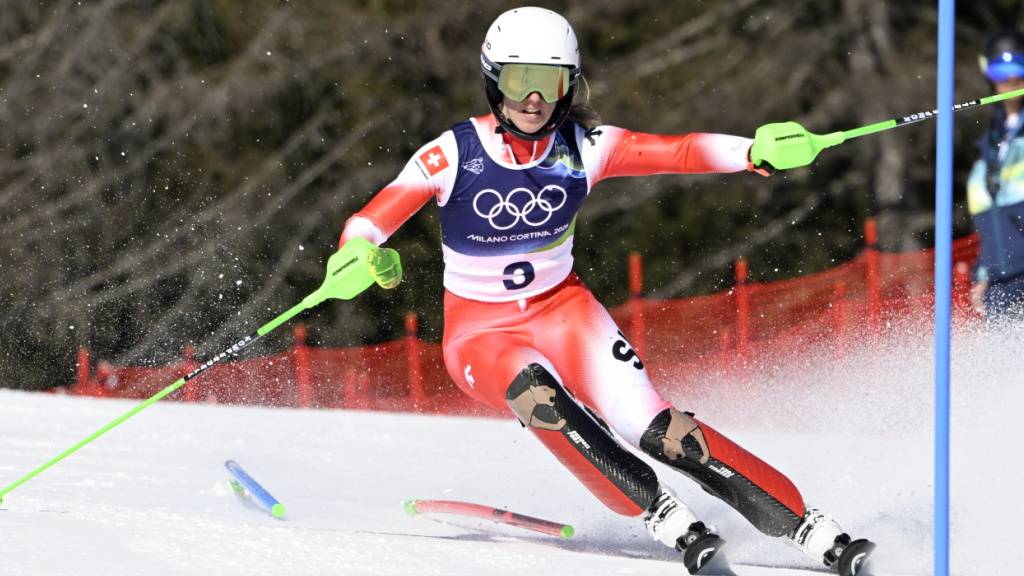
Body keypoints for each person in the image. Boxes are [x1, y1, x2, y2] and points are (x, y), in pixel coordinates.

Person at [337, 7, 874, 575]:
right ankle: (661, 512)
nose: (534, 99)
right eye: (521, 81)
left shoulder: (585, 146)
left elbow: (680, 150)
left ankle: (810, 528)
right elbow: (372, 218)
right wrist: (359, 253)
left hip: (564, 313)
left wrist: (753, 151)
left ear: (570, 85)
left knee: (661, 430)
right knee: (536, 393)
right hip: (481, 334)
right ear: (494, 80)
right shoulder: (453, 153)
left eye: (551, 82)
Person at [968, 29, 1024, 319]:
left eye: (1019, 67)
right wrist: (983, 272)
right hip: (1002, 285)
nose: (1011, 79)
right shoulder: (990, 144)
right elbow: (994, 226)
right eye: (1000, 70)